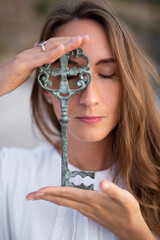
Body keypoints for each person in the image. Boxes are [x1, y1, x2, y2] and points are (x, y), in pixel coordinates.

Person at [0, 0, 160, 239]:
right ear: (45, 88)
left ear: (129, 83)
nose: (89, 98)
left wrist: (136, 234)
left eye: (107, 75)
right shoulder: (10, 173)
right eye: (70, 73)